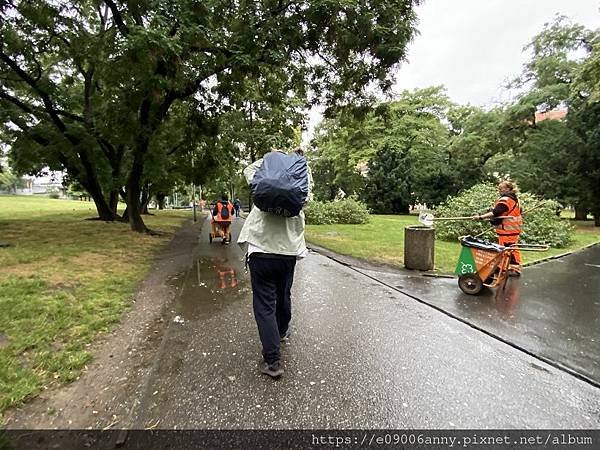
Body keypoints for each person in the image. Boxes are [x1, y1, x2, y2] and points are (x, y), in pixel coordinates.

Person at [237, 148, 312, 378]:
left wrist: (272, 157)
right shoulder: (304, 173)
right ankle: (281, 331)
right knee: (284, 293)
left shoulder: (264, 171)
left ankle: (272, 361)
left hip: (261, 248)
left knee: (265, 305)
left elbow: (247, 171)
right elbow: (307, 200)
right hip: (288, 251)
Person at [473, 181, 523, 276]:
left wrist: (480, 217)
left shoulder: (506, 200)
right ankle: (502, 267)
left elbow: (496, 212)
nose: (499, 190)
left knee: (509, 250)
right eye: (499, 188)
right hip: (511, 229)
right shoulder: (515, 199)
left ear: (508, 189)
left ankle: (514, 269)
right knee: (508, 249)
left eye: (501, 188)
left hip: (508, 230)